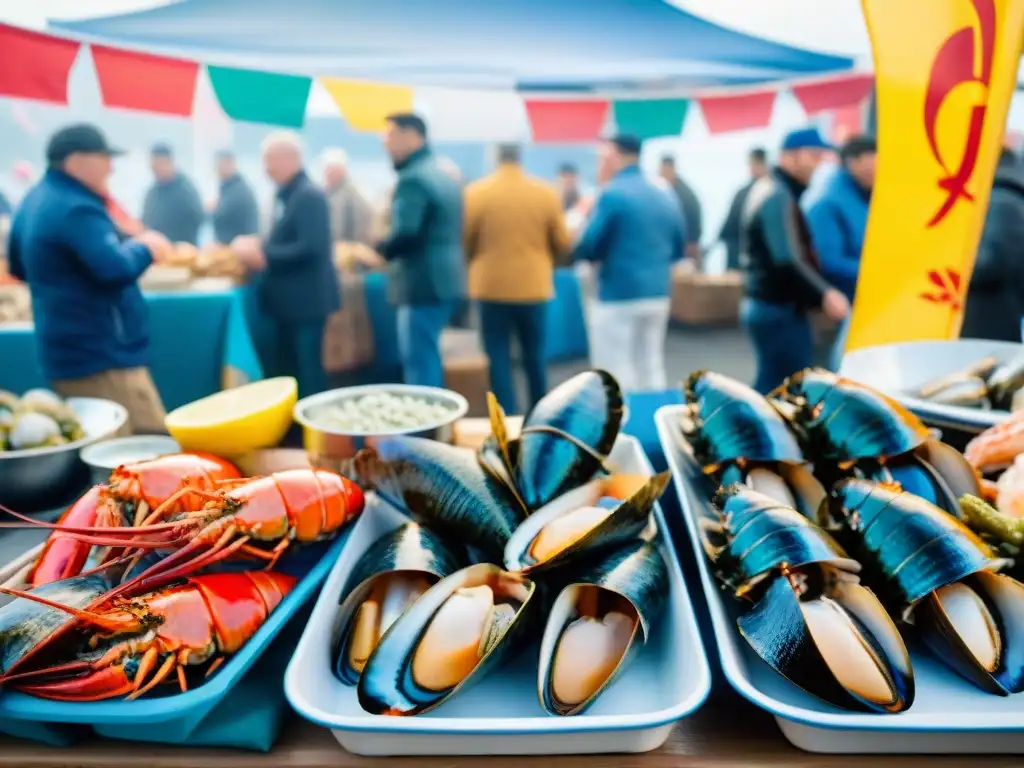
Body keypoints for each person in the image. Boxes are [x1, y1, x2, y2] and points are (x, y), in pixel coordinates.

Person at [6, 124, 172, 433]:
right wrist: (146, 247)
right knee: (145, 450)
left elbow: (18, 267)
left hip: (63, 352)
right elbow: (115, 268)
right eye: (104, 157)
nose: (111, 166)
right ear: (75, 161)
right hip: (103, 359)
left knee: (99, 447)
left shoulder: (34, 200)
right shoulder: (77, 208)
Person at [741, 127, 850, 394]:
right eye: (813, 155)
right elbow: (786, 257)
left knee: (775, 381)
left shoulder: (773, 189)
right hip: (777, 307)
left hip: (767, 304)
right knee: (783, 385)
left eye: (822, 156)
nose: (819, 163)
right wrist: (825, 293)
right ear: (788, 157)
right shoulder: (777, 194)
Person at [230, 131, 339, 398]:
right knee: (291, 370)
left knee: (307, 371)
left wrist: (265, 255)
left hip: (305, 304)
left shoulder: (308, 195)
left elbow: (312, 247)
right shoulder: (289, 195)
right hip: (291, 304)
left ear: (290, 159)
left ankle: (312, 432)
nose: (266, 168)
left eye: (269, 160)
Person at [464, 144, 571, 413]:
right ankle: (541, 414)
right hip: (534, 287)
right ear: (520, 157)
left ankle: (507, 418)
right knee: (534, 356)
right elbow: (562, 241)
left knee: (498, 357)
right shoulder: (545, 192)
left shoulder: (476, 193)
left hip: (490, 287)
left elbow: (465, 241)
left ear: (495, 156)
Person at [574, 134, 685, 393]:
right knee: (651, 366)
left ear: (614, 155)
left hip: (618, 294)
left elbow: (589, 245)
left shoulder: (612, 193)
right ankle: (653, 425)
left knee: (615, 370)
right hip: (657, 292)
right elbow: (680, 244)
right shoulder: (663, 192)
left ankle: (622, 430)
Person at [377, 113, 466, 388]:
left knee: (419, 364)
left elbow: (406, 233)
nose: (386, 144)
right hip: (445, 279)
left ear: (412, 135)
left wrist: (379, 249)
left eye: (390, 136)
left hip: (421, 283)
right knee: (427, 357)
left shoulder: (413, 179)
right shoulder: (440, 173)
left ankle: (425, 429)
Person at [805, 135, 877, 368]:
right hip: (842, 300)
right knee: (843, 365)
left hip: (862, 295)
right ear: (853, 162)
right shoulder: (828, 202)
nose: (879, 168)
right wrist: (879, 274)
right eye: (873, 161)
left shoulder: (863, 196)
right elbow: (828, 261)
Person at [961, 148, 1024, 341]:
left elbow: (991, 263)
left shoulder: (1000, 198)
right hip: (992, 319)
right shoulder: (999, 195)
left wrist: (945, 260)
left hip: (989, 321)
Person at [141, 143, 203, 245]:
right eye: (153, 167)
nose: (156, 170)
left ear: (170, 162)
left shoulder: (186, 190)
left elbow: (197, 218)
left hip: (181, 251)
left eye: (159, 165)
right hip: (155, 250)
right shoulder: (152, 192)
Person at [719, 148, 768, 271]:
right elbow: (730, 227)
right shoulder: (742, 193)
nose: (753, 168)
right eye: (752, 164)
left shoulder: (771, 193)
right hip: (739, 253)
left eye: (757, 164)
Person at [321, 148, 373, 245]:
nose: (329, 173)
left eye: (333, 170)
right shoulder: (326, 193)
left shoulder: (353, 196)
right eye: (327, 170)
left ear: (343, 170)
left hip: (349, 248)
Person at [659, 155, 703, 263]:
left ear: (669, 169)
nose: (660, 175)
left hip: (687, 248)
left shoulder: (683, 195)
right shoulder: (670, 191)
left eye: (662, 172)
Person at [210, 149, 259, 245]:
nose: (218, 169)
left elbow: (224, 217)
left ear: (231, 163)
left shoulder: (240, 191)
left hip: (239, 248)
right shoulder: (228, 188)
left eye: (221, 164)